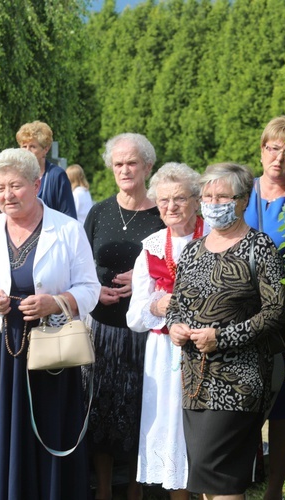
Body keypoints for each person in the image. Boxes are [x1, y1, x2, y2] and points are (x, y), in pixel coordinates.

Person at [0, 148, 100, 500]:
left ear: (37, 183)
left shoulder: (68, 229)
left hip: (50, 356)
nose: (6, 195)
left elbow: (90, 289)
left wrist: (56, 302)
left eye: (14, 186)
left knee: (45, 435)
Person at [167, 162, 285, 500]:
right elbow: (176, 303)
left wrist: (222, 337)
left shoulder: (258, 247)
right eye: (207, 195)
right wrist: (174, 326)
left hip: (239, 379)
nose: (213, 202)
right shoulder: (192, 250)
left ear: (243, 201)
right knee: (206, 477)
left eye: (223, 196)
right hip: (194, 380)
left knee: (222, 476)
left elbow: (275, 311)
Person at [83, 133, 165, 500]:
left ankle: (135, 488)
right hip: (102, 329)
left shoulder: (162, 213)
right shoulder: (98, 211)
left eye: (132, 162)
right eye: (118, 164)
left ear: (148, 166)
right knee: (99, 409)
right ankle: (102, 489)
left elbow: (177, 266)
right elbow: (81, 266)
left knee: (139, 409)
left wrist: (147, 278)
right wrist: (96, 287)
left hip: (143, 332)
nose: (125, 170)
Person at [126, 162, 203, 500]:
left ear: (197, 200)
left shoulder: (215, 237)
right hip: (166, 354)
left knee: (206, 435)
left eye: (179, 199)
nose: (170, 207)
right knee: (173, 433)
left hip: (209, 348)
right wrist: (158, 306)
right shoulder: (152, 246)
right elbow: (135, 317)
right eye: (163, 201)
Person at [244, 115, 285, 500]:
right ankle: (242, 476)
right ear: (262, 149)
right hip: (241, 313)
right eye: (271, 147)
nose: (278, 157)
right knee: (241, 401)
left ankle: (276, 490)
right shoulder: (238, 192)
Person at [16, 120, 77, 218]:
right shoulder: (16, 175)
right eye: (24, 146)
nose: (27, 151)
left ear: (45, 149)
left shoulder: (57, 176)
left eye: (32, 147)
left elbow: (69, 216)